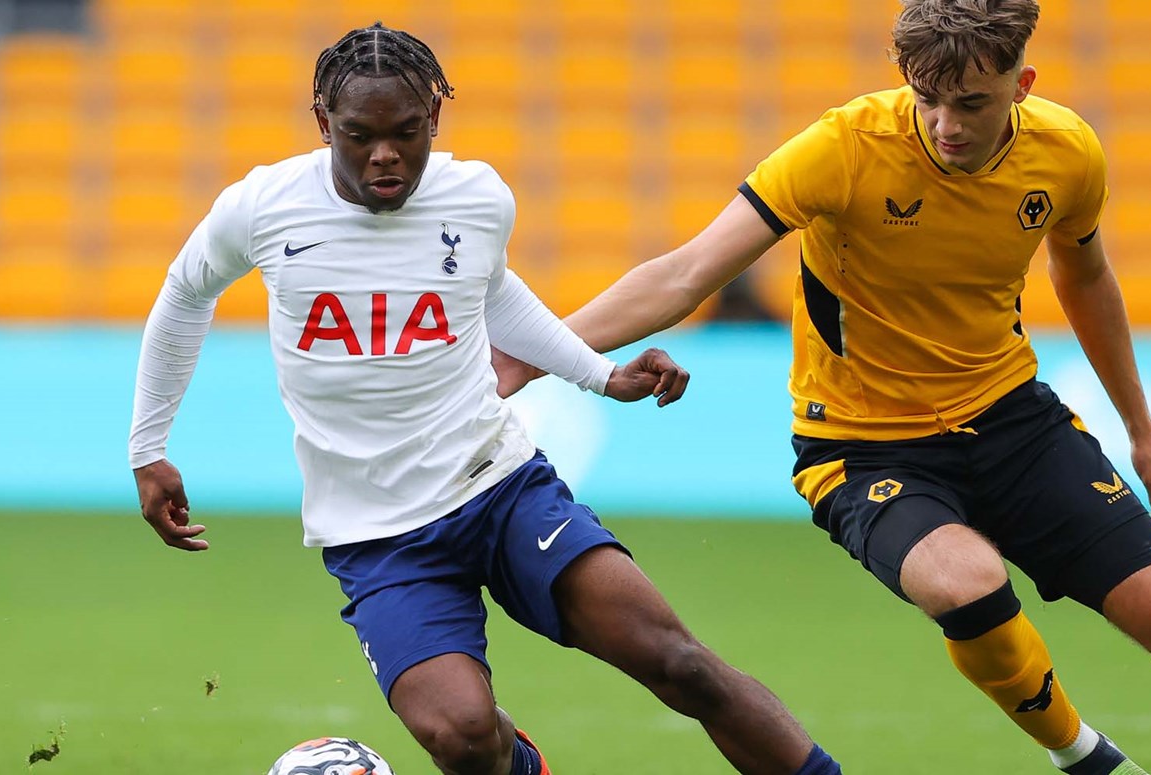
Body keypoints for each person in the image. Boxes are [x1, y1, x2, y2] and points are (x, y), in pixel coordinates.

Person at [495, 2, 1151, 773]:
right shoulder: (843, 148)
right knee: (964, 582)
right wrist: (533, 357)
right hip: (860, 446)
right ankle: (1083, 755)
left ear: (1024, 84)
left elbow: (1086, 279)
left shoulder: (1067, 153)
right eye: (926, 99)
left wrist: (1144, 428)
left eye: (971, 104)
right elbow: (683, 273)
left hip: (1013, 420)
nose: (943, 124)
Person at [128, 23, 843, 775]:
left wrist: (600, 374)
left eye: (406, 133)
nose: (385, 155)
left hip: (499, 485)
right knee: (463, 734)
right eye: (359, 135)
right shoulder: (262, 207)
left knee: (678, 663)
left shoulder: (475, 197)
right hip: (378, 534)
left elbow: (495, 295)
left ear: (434, 118)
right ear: (322, 123)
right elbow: (183, 297)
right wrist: (148, 448)